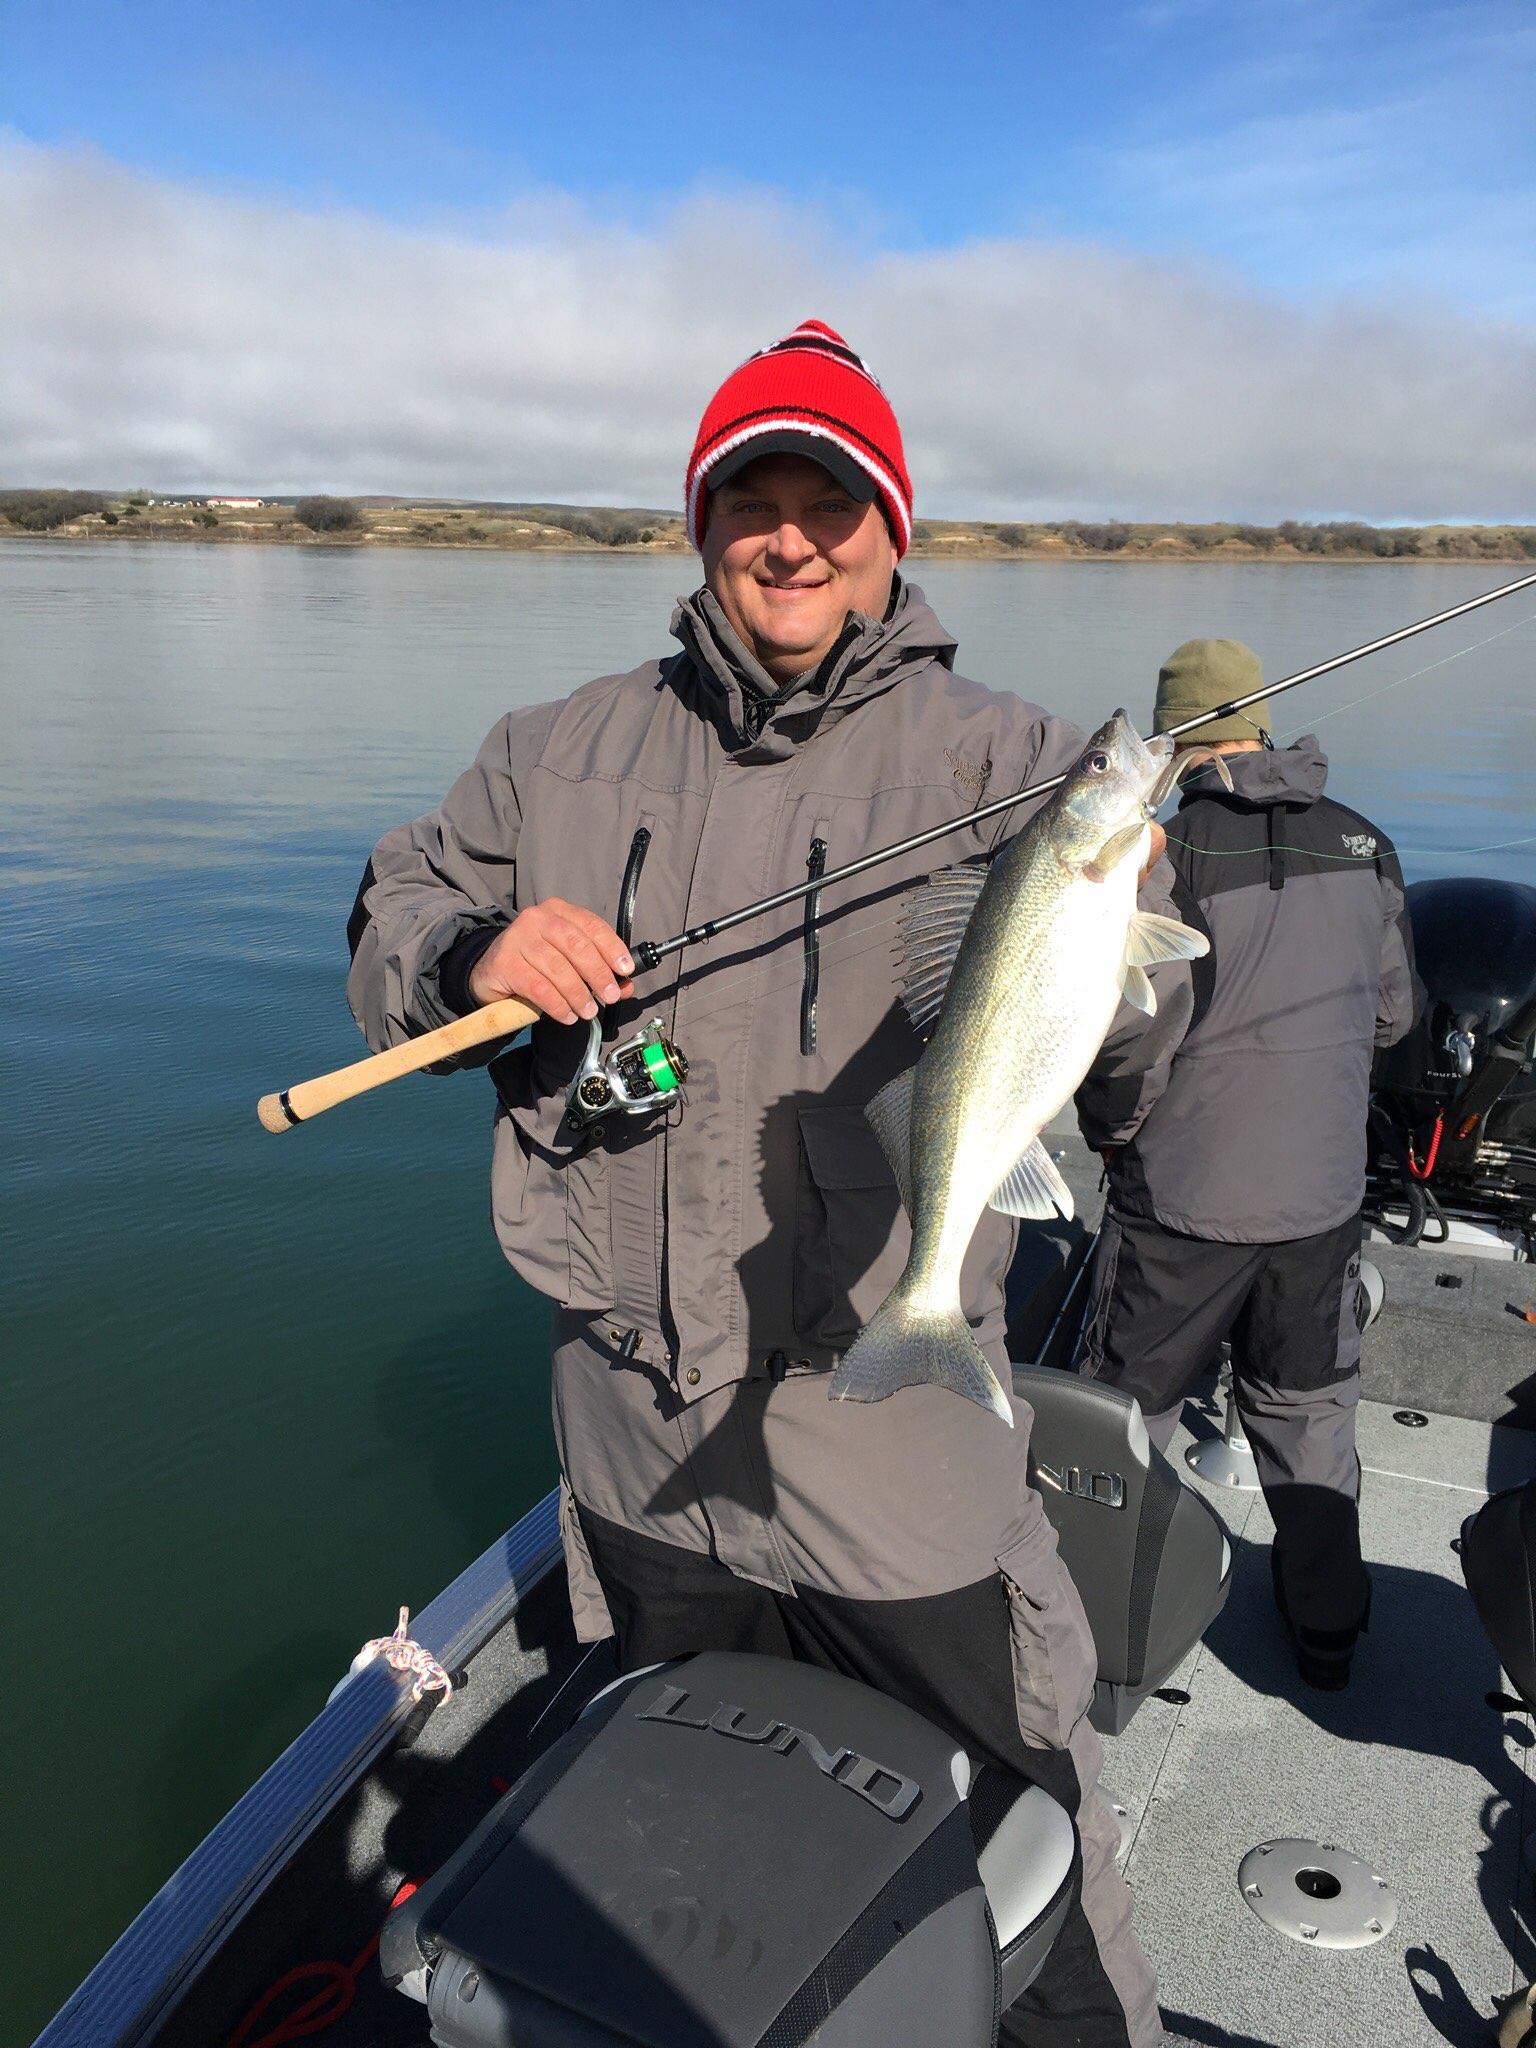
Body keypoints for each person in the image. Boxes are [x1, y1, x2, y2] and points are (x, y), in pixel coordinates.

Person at [348, 319, 1172, 2045]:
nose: (790, 539)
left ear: (893, 530)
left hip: (895, 1451)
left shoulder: (1016, 762)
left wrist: (1132, 960)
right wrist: (474, 947)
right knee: (682, 1856)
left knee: (1024, 1847)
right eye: (751, 498)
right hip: (639, 1448)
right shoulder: (550, 747)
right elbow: (391, 910)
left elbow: (1137, 1083)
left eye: (831, 502)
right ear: (701, 520)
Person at [1075, 637, 1420, 1690]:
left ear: (1175, 740)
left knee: (1125, 1422)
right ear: (1260, 724)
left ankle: (1101, 1633)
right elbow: (1395, 1017)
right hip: (1321, 1204)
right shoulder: (1367, 843)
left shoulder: (1164, 852)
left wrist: (1110, 1132)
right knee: (1308, 1413)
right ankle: (1327, 1634)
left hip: (1179, 1208)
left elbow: (1137, 1039)